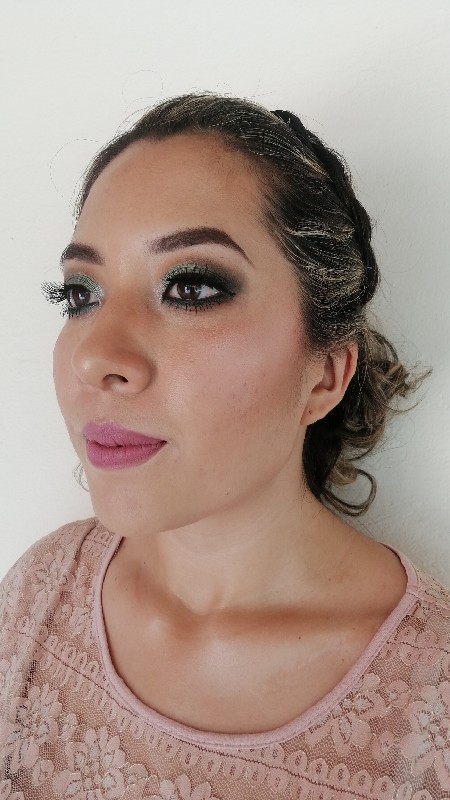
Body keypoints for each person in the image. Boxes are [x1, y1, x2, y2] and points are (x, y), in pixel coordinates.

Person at [0, 90, 448, 800]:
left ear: (324, 376)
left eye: (191, 288)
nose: (96, 356)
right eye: (80, 294)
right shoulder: (40, 591)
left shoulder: (430, 713)